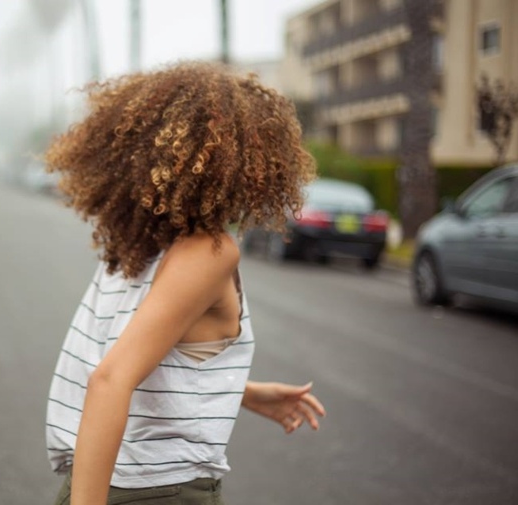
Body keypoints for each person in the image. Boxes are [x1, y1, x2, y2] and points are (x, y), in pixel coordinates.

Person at [44, 62, 325, 505]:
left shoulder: (134, 244)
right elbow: (111, 379)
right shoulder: (206, 251)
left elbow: (144, 357)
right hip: (153, 491)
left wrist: (242, 393)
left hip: (98, 479)